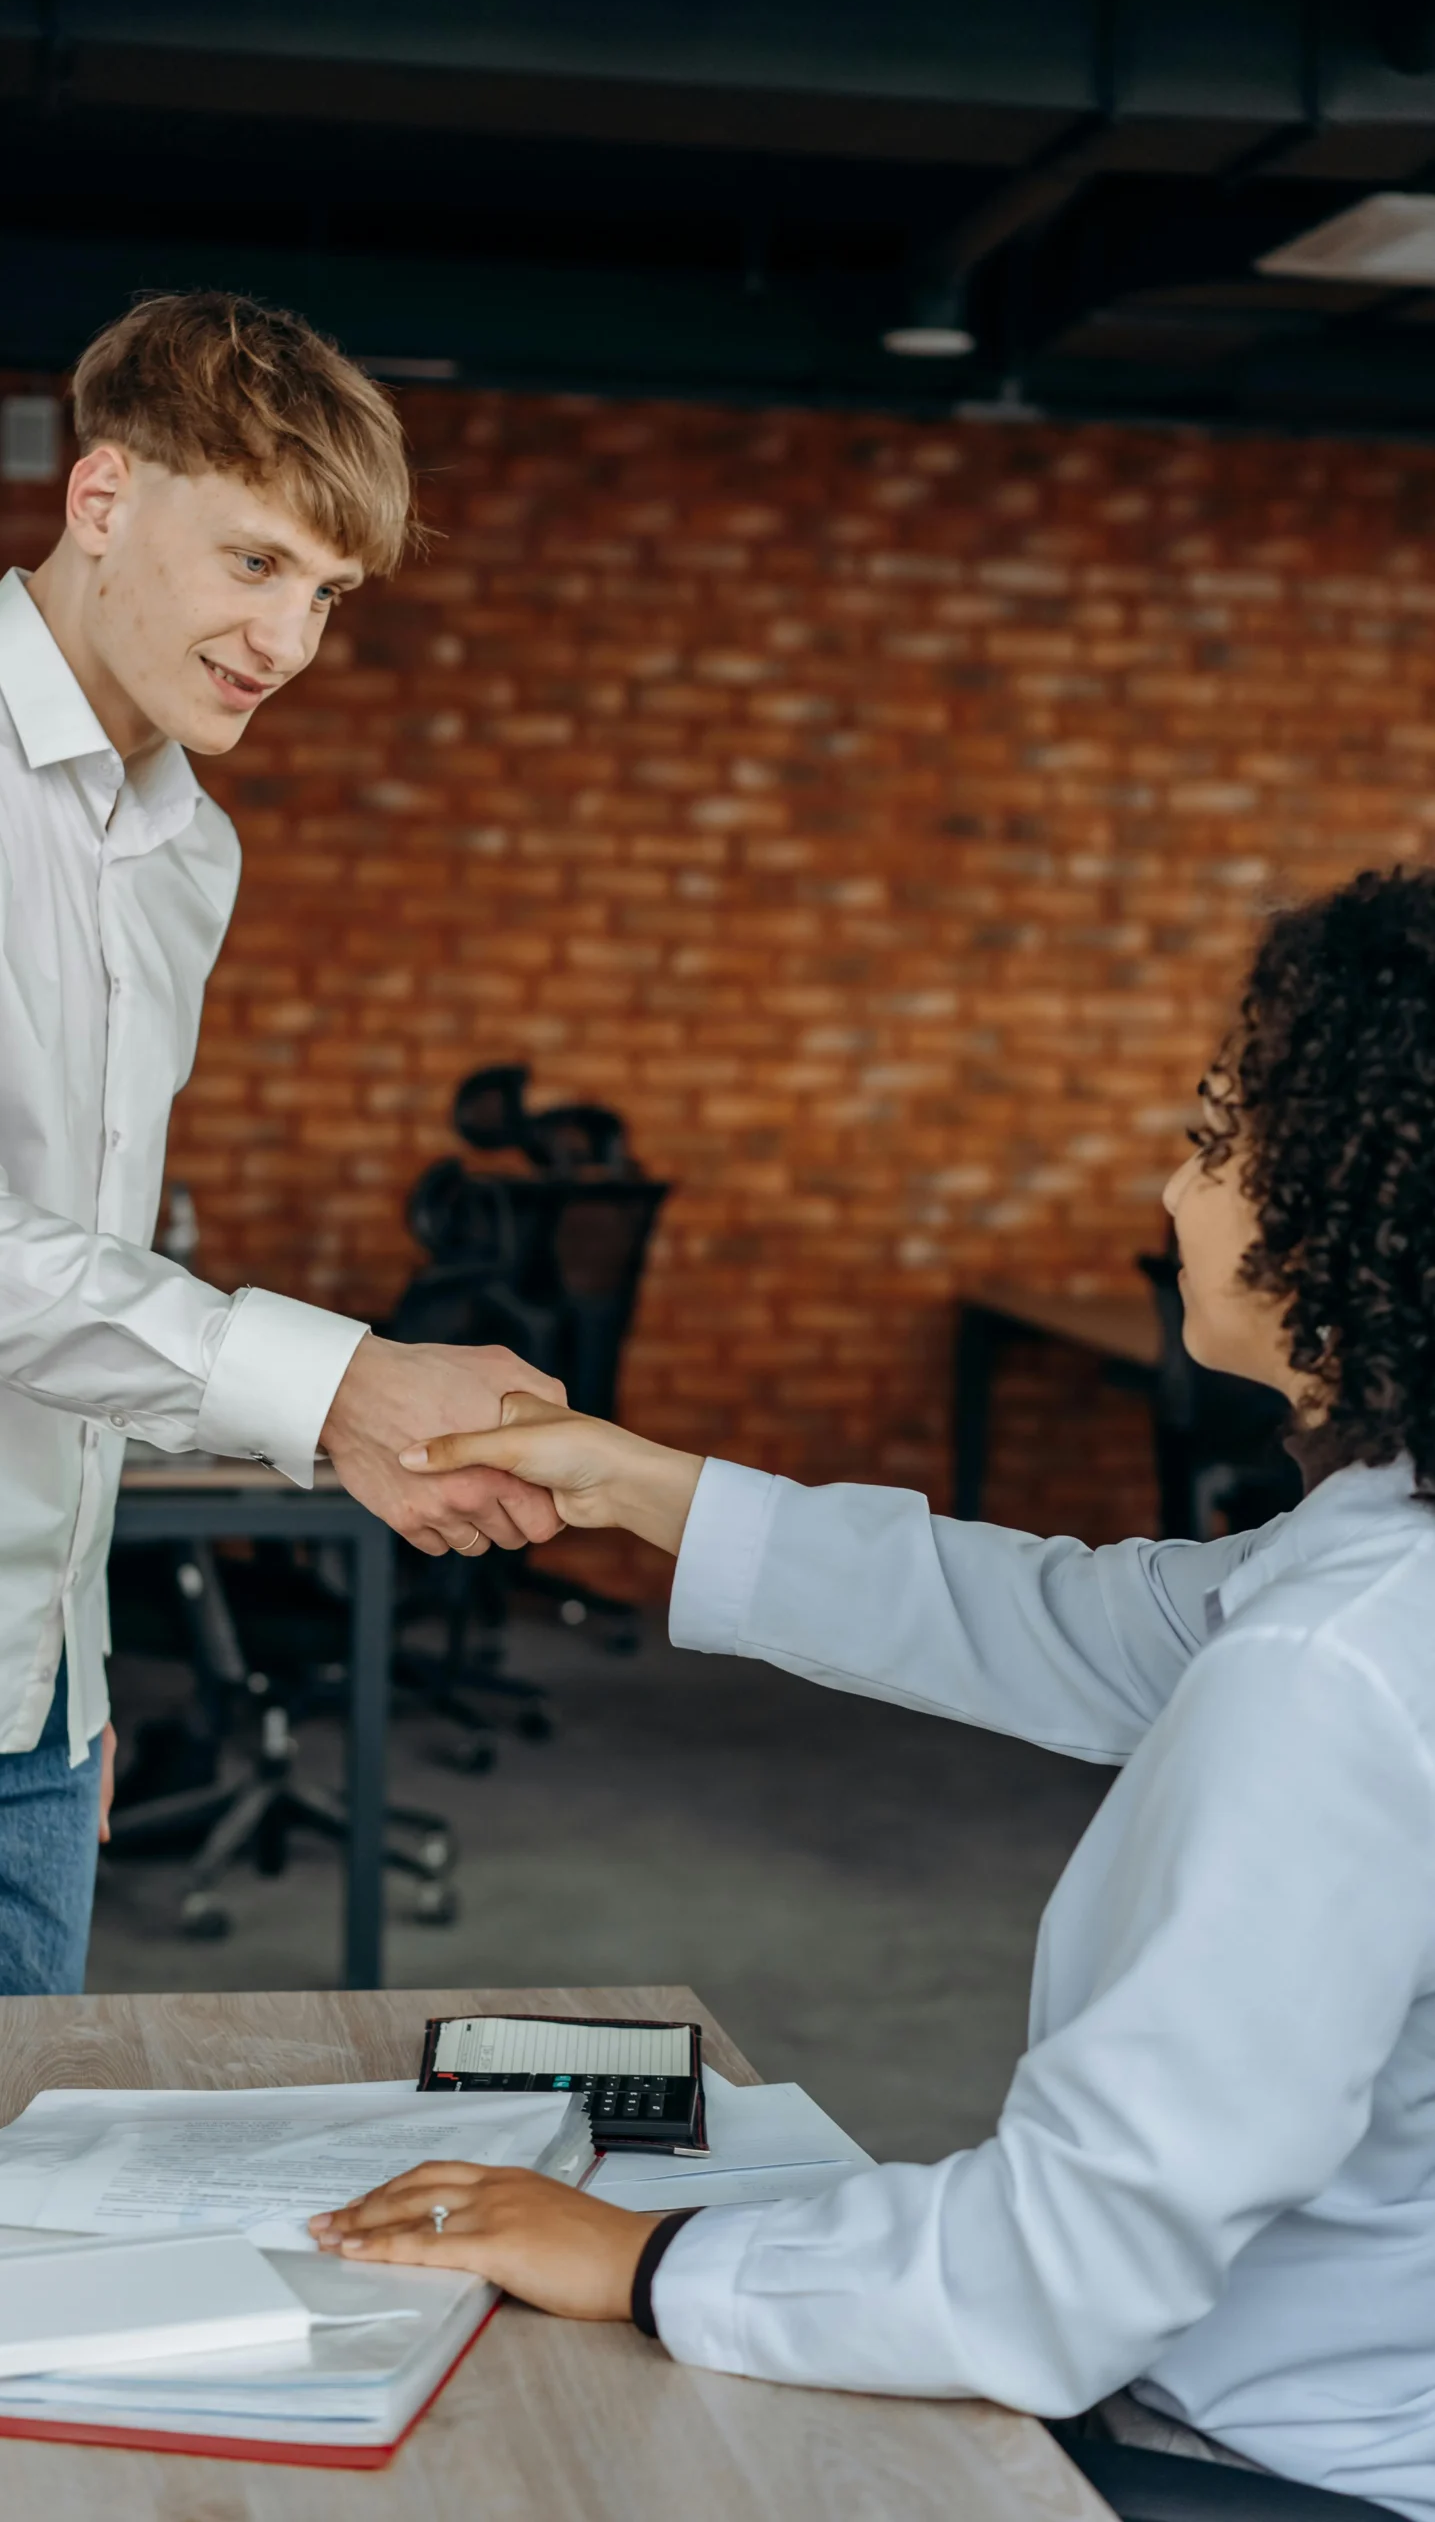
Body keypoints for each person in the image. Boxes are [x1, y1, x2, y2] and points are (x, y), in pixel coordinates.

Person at [314, 868, 1435, 2521]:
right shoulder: (1365, 1575)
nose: (1169, 1186)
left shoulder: (1329, 1666)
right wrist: (642, 1484)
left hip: (1262, 2471)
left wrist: (639, 2258)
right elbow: (1065, 1617)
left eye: (1211, 1140)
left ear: (1361, 1208)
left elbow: (1059, 2269)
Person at [0, 292, 563, 2004]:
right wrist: (332, 1388)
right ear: (99, 498)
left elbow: (80, 1256)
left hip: (25, 1689)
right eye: (253, 563)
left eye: (326, 594)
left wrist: (74, 1689)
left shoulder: (190, 851)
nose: (288, 642)